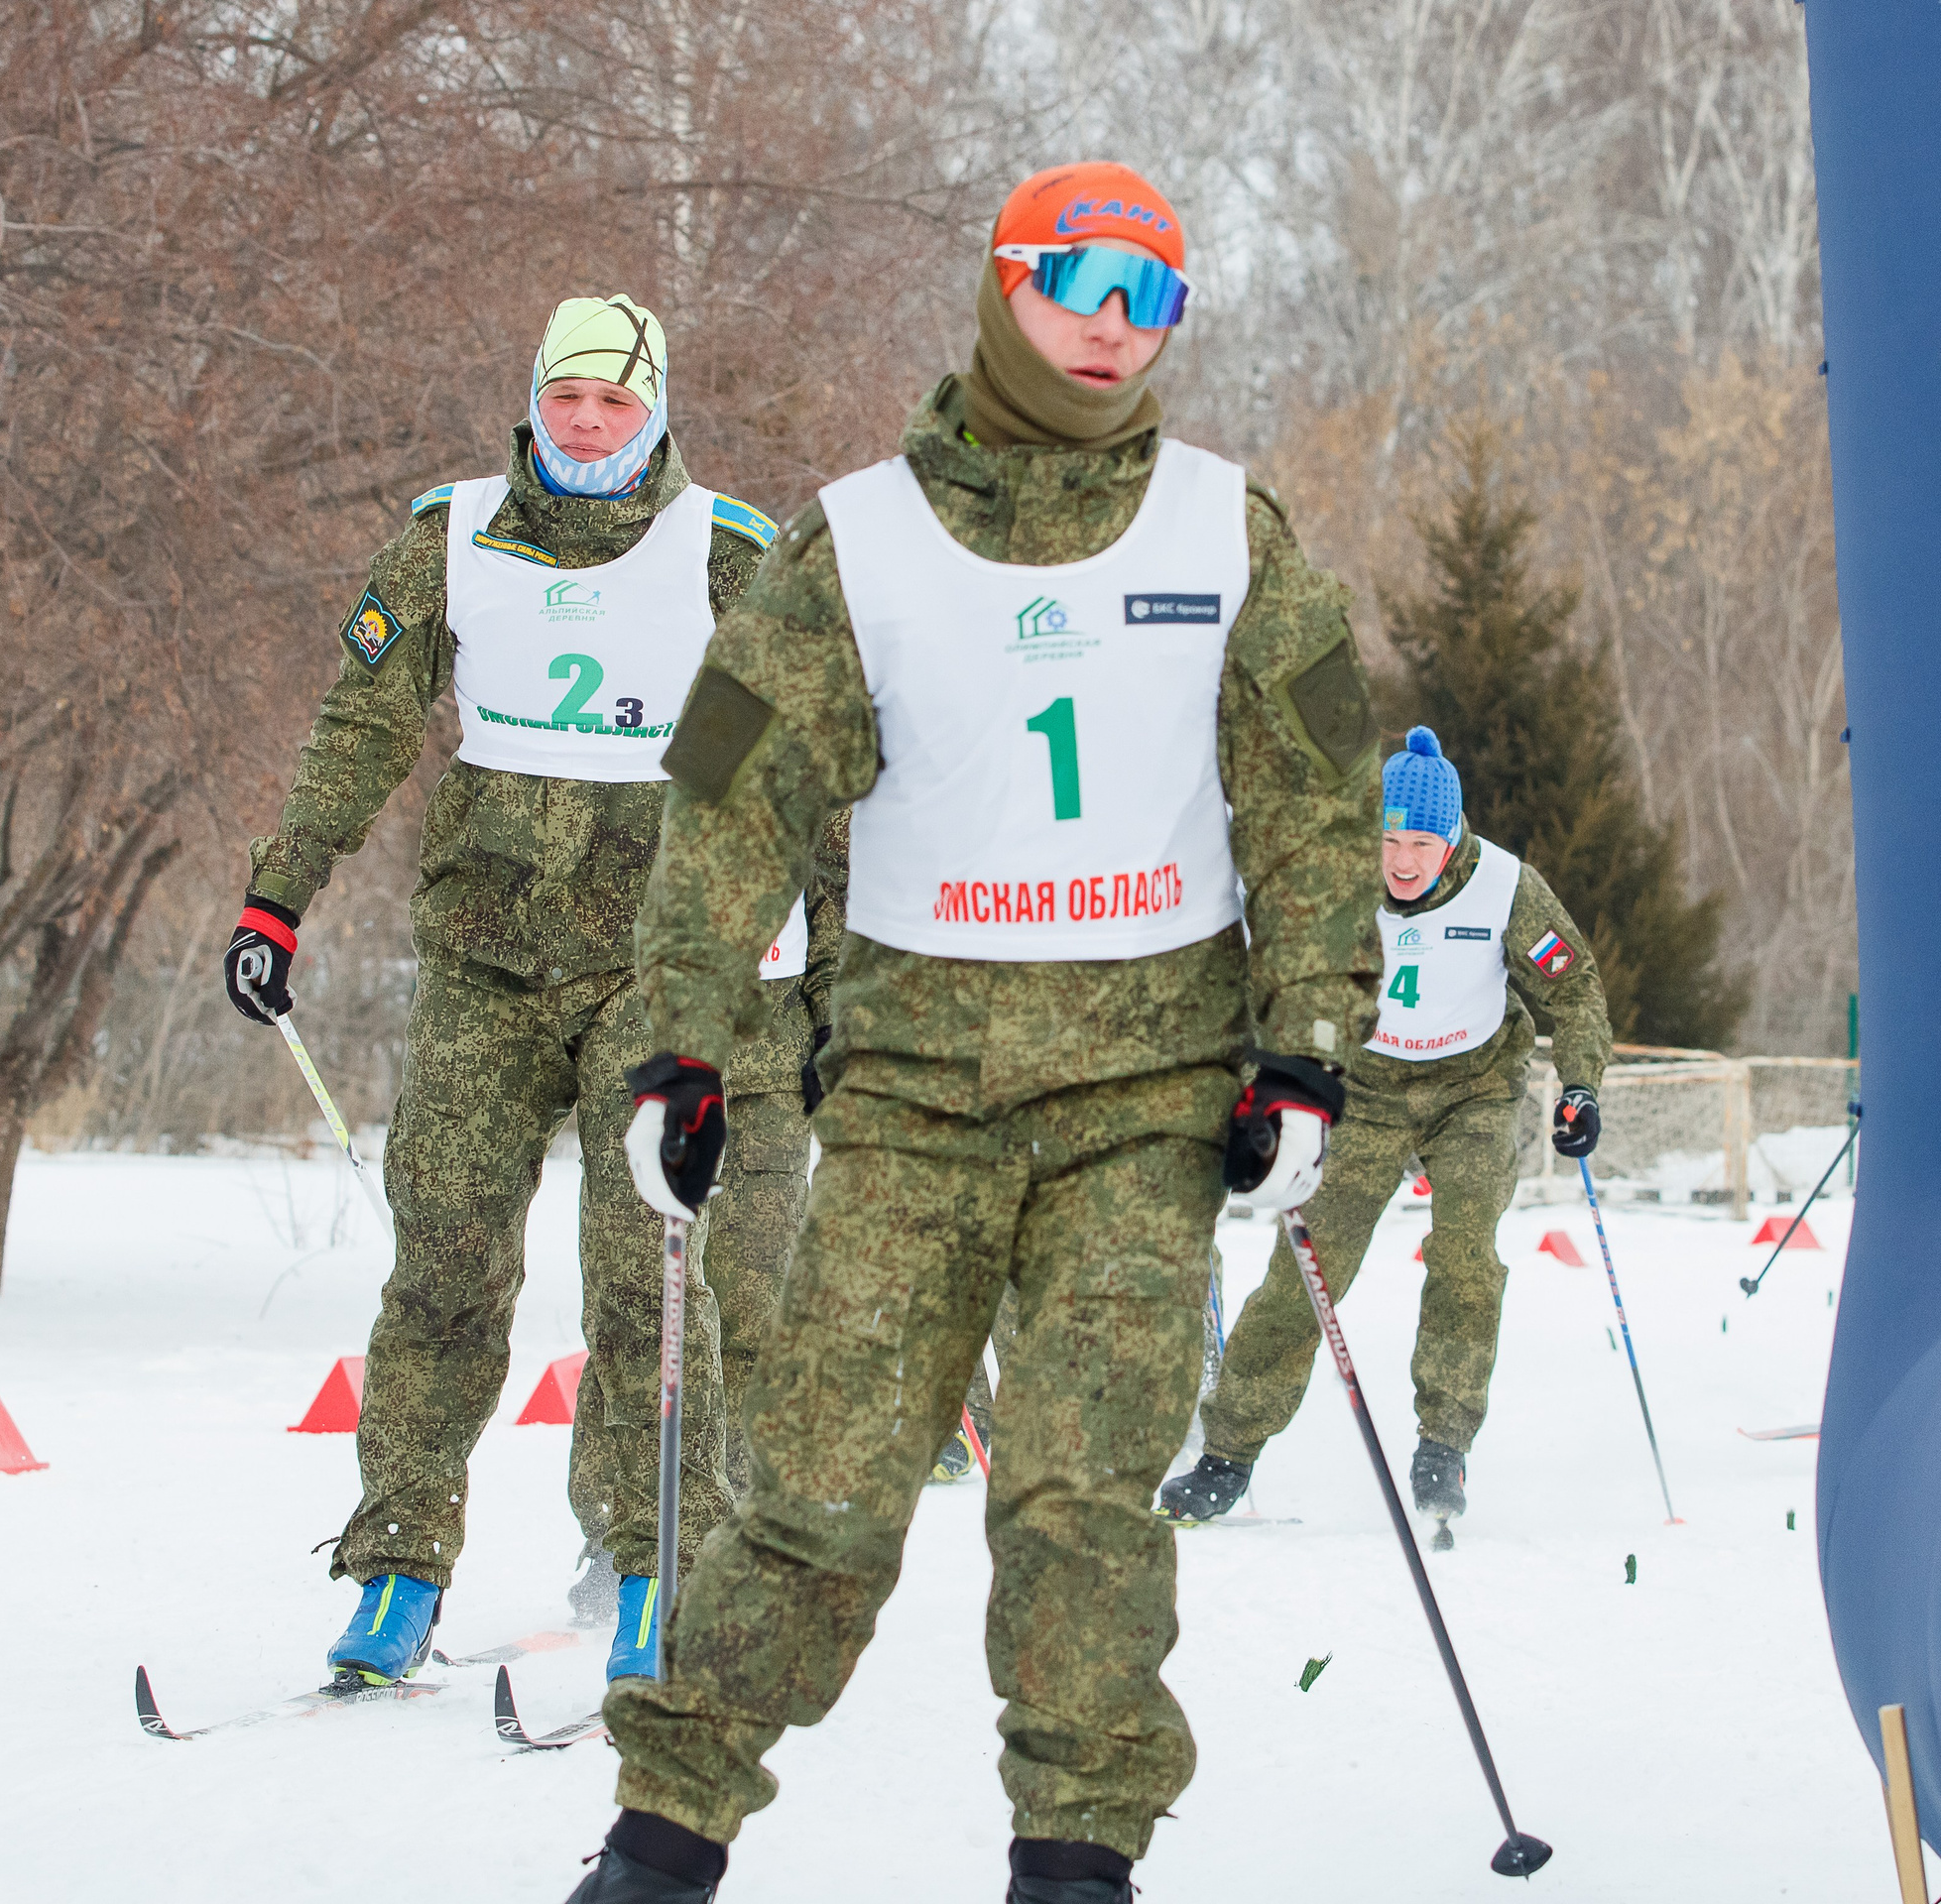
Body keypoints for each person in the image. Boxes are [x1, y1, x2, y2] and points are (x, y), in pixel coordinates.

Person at [574, 162, 1384, 1904]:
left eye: (1156, 291)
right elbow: (727, 804)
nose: (1115, 319)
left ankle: (1077, 1860)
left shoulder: (1230, 533)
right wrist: (681, 1044)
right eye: (1083, 275)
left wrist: (1306, 1046)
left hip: (1145, 1105)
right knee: (820, 1493)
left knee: (1087, 1502)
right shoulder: (853, 540)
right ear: (1004, 282)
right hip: (914, 1101)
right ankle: (664, 1838)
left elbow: (1319, 808)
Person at [225, 296, 799, 1686]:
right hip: (484, 966)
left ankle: (662, 1569)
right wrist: (276, 895)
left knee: (651, 1281)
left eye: (610, 398)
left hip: (653, 978)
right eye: (564, 396)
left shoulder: (726, 555)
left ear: (653, 405)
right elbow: (361, 728)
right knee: (444, 1268)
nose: (584, 421)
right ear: (534, 398)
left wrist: (820, 969)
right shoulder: (453, 536)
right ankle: (400, 1568)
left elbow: (802, 767)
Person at [1162, 724, 1612, 1532]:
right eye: (1388, 840)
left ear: (1453, 839)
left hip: (1472, 1088)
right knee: (1309, 1263)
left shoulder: (1506, 885)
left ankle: (1444, 1438)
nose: (1402, 861)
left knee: (1466, 1251)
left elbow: (1573, 992)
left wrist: (1579, 1087)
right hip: (1362, 1090)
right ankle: (1228, 1450)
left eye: (1422, 843)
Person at [565, 810, 850, 1621]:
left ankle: (739, 1533)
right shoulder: (650, 738)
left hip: (770, 1070)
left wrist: (835, 1024)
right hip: (658, 1053)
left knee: (755, 1310)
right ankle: (623, 1529)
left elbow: (838, 893)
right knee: (646, 1305)